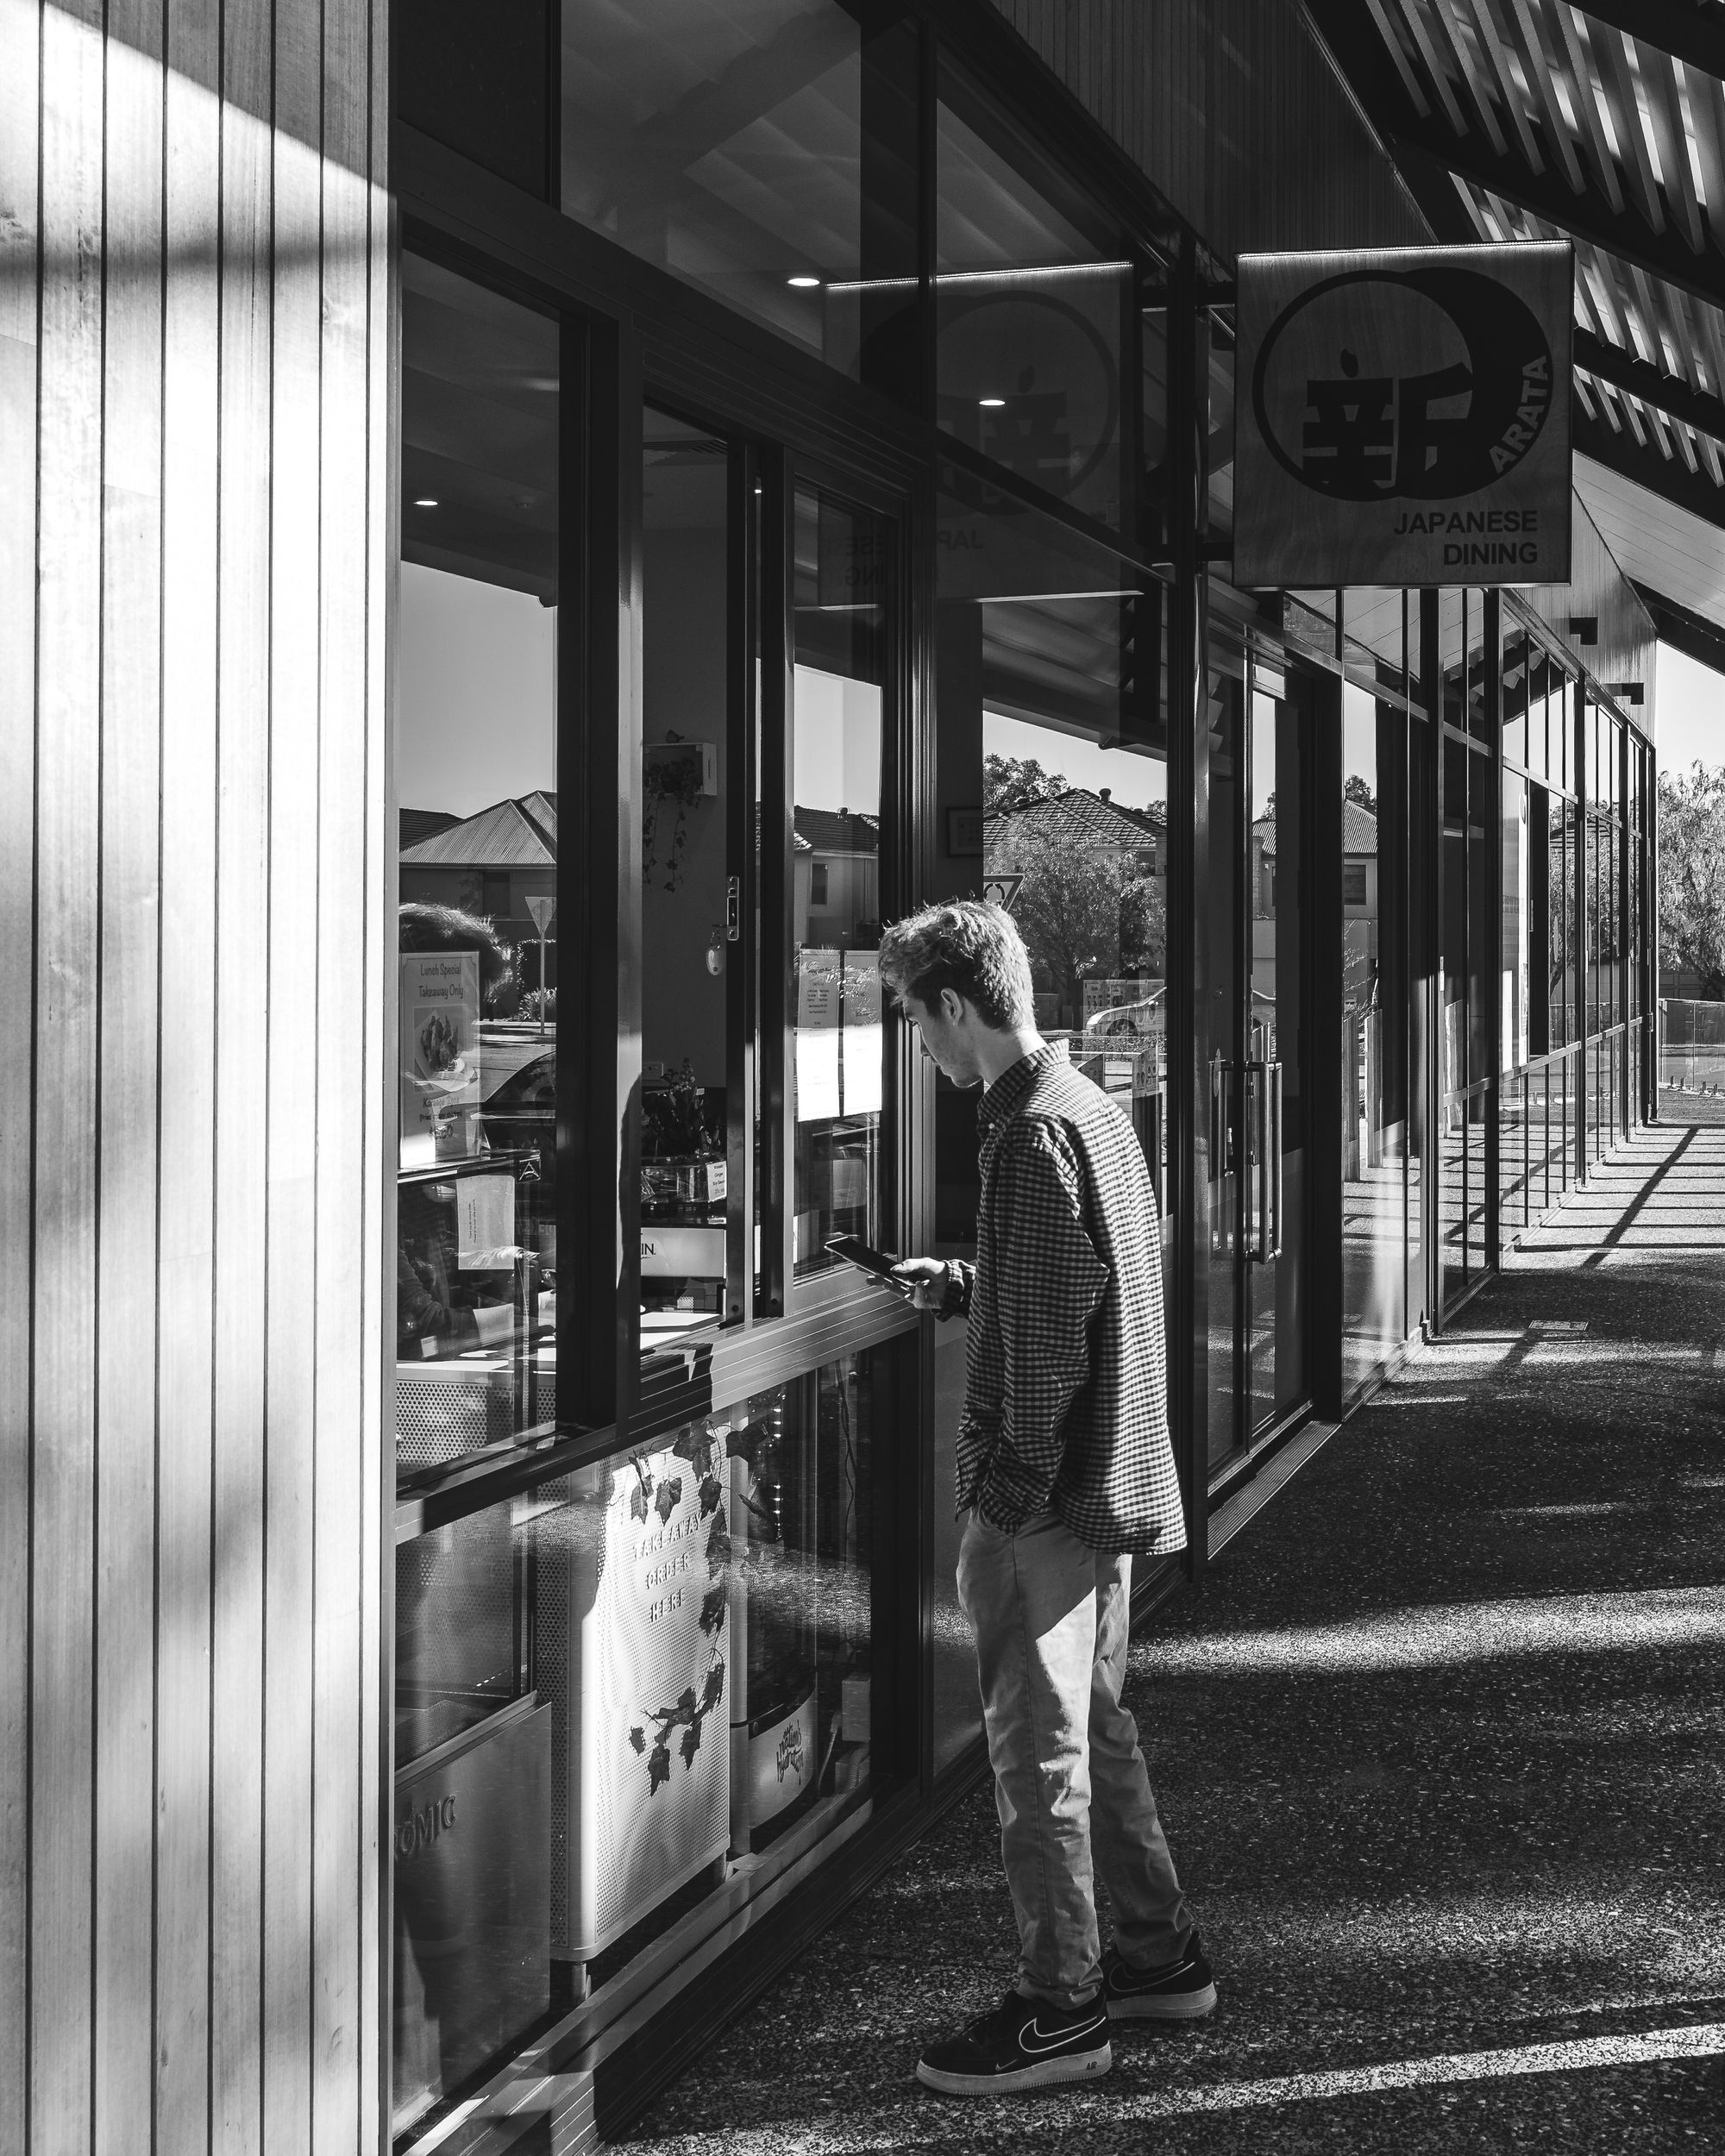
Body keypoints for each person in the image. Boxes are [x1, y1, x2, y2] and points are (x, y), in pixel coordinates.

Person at [877, 899, 1214, 2097]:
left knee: (1038, 1755)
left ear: (957, 1007)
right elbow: (1086, 1275)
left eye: (917, 1022)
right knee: (1100, 1727)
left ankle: (1062, 2007)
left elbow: (1056, 1347)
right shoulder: (1091, 1110)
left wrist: (1000, 1497)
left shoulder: (1024, 1137)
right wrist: (971, 1280)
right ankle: (1155, 1953)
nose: (919, 1047)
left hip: (1049, 1503)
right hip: (1112, 1481)